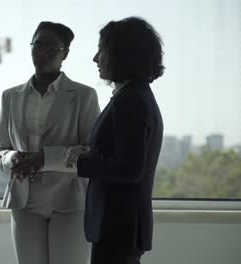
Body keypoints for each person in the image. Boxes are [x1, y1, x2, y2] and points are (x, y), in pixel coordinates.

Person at [0, 21, 100, 264]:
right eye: (38, 45)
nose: (43, 52)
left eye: (52, 48)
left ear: (66, 54)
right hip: (24, 199)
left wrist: (46, 158)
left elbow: (92, 151)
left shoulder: (84, 96)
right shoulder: (11, 96)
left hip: (69, 200)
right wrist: (12, 158)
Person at [65, 17, 165, 264]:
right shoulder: (135, 96)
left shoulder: (131, 101)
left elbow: (130, 168)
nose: (95, 58)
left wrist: (83, 160)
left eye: (102, 50)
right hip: (122, 227)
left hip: (118, 225)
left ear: (122, 54)